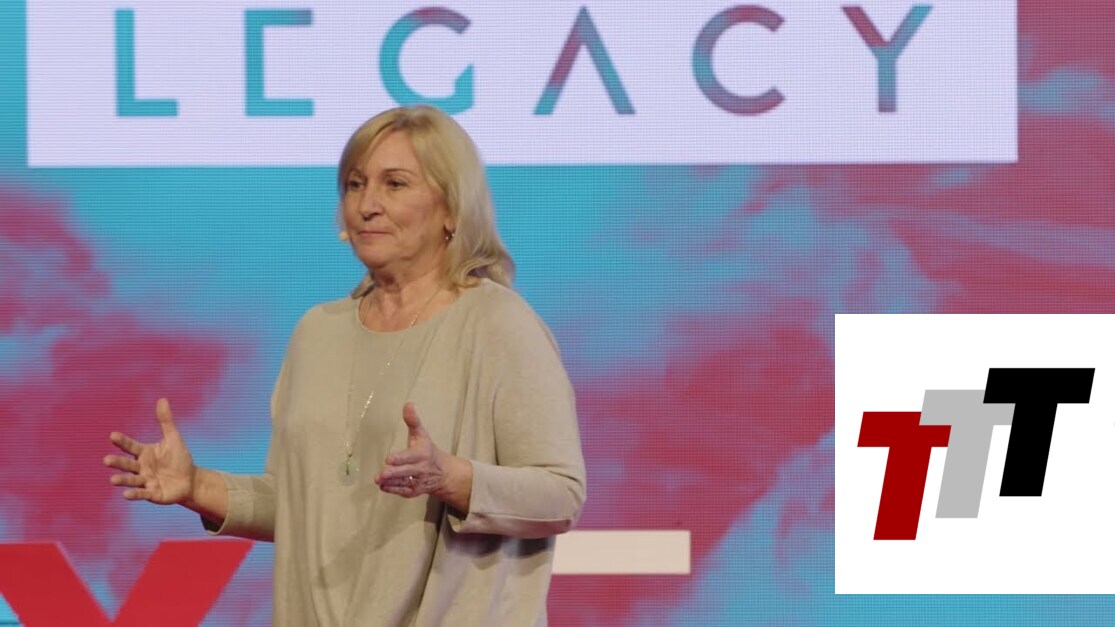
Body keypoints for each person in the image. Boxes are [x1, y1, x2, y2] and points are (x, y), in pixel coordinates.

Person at [104, 105, 587, 626]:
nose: (367, 205)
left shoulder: (499, 324)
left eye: (394, 184)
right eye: (355, 185)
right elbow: (302, 505)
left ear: (452, 208)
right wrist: (197, 486)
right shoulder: (317, 332)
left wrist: (452, 477)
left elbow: (559, 495)